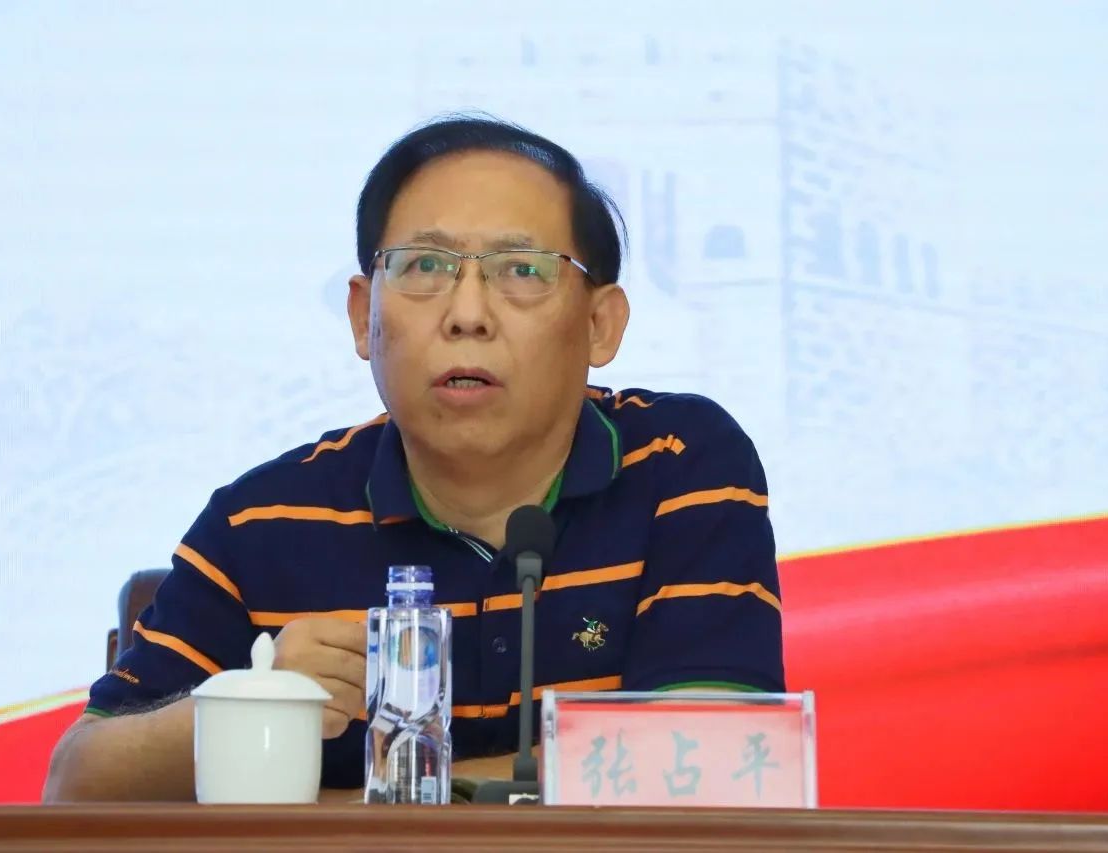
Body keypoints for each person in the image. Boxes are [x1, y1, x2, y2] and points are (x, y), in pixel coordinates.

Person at [43, 115, 783, 801]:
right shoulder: (262, 522)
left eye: (522, 270)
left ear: (600, 324)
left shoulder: (680, 466)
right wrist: (252, 705)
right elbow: (76, 783)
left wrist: (378, 808)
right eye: (425, 265)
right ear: (362, 315)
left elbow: (711, 764)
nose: (468, 314)